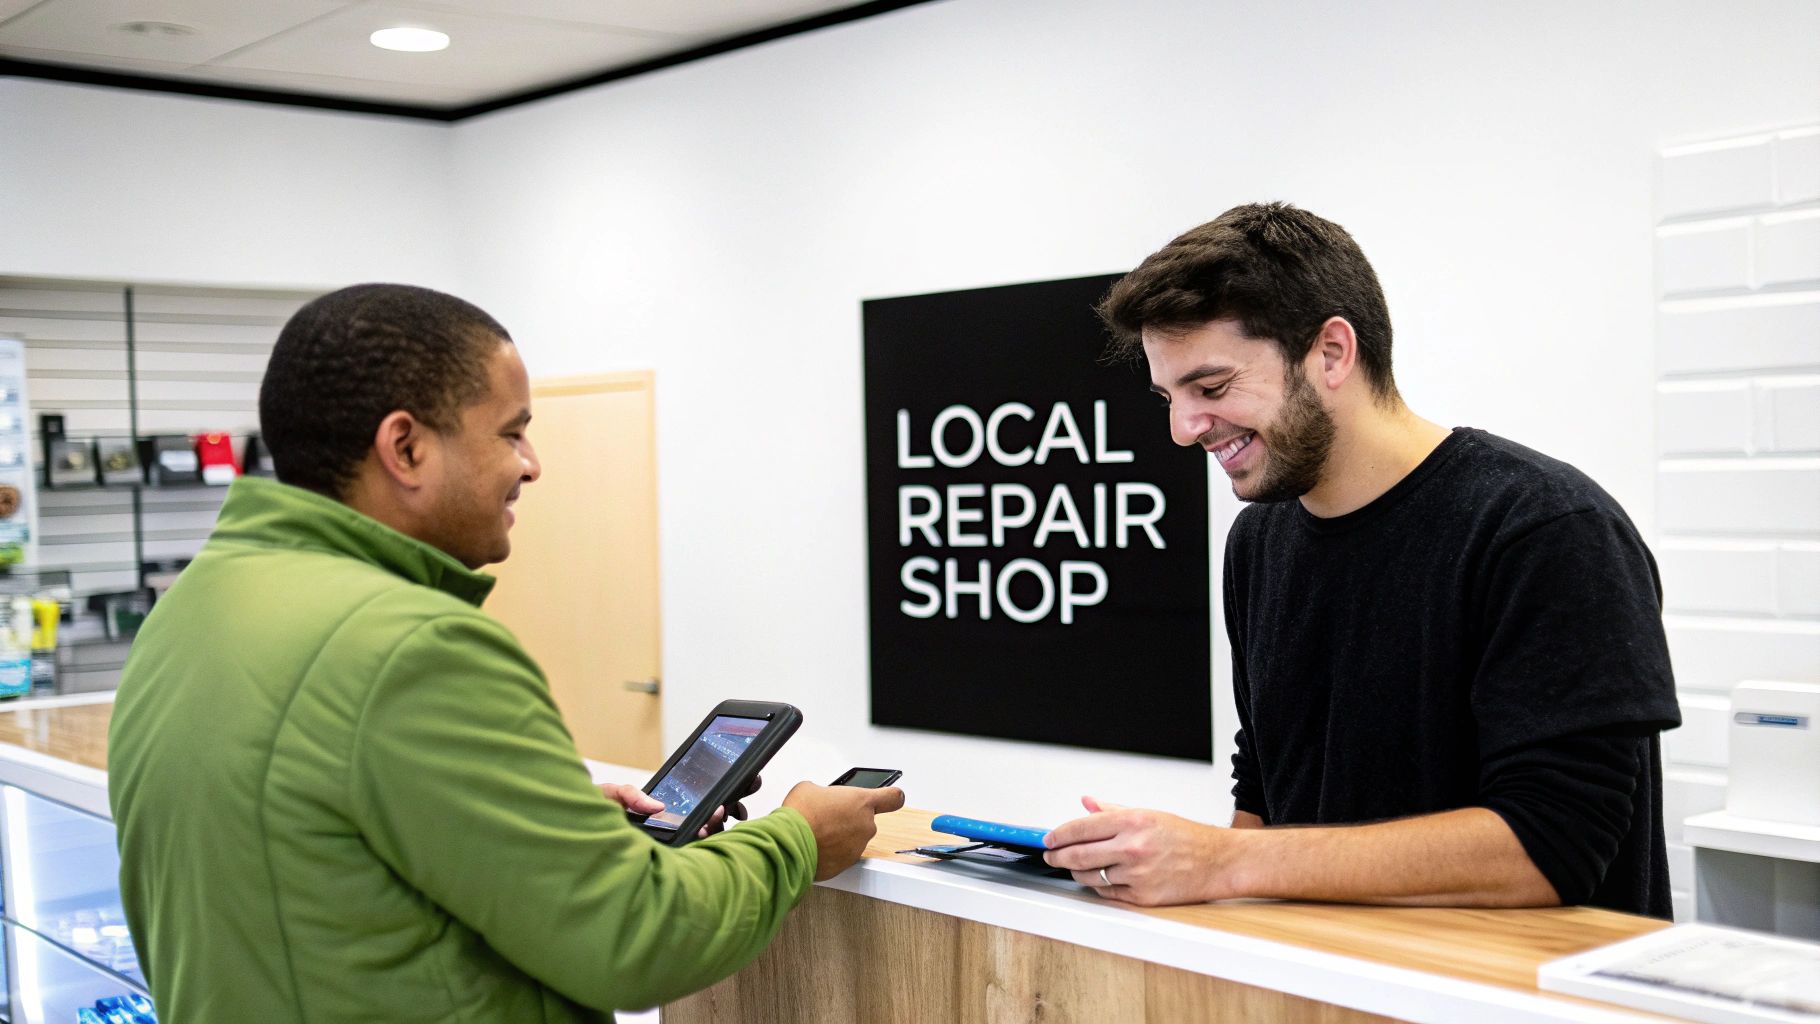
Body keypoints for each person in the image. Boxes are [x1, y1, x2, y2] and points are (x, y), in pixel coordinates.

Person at [108, 283, 904, 1021]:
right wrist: (798, 836)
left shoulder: (192, 611)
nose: (532, 464)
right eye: (512, 432)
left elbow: (321, 859)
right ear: (406, 448)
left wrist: (546, 822)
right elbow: (635, 940)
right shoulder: (414, 647)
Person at [1042, 203, 1680, 917]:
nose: (1184, 429)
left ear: (1332, 353)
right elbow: (1265, 791)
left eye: (1211, 388)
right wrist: (1190, 881)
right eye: (1170, 396)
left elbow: (1550, 847)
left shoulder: (1546, 529)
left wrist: (1221, 862)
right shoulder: (1258, 543)